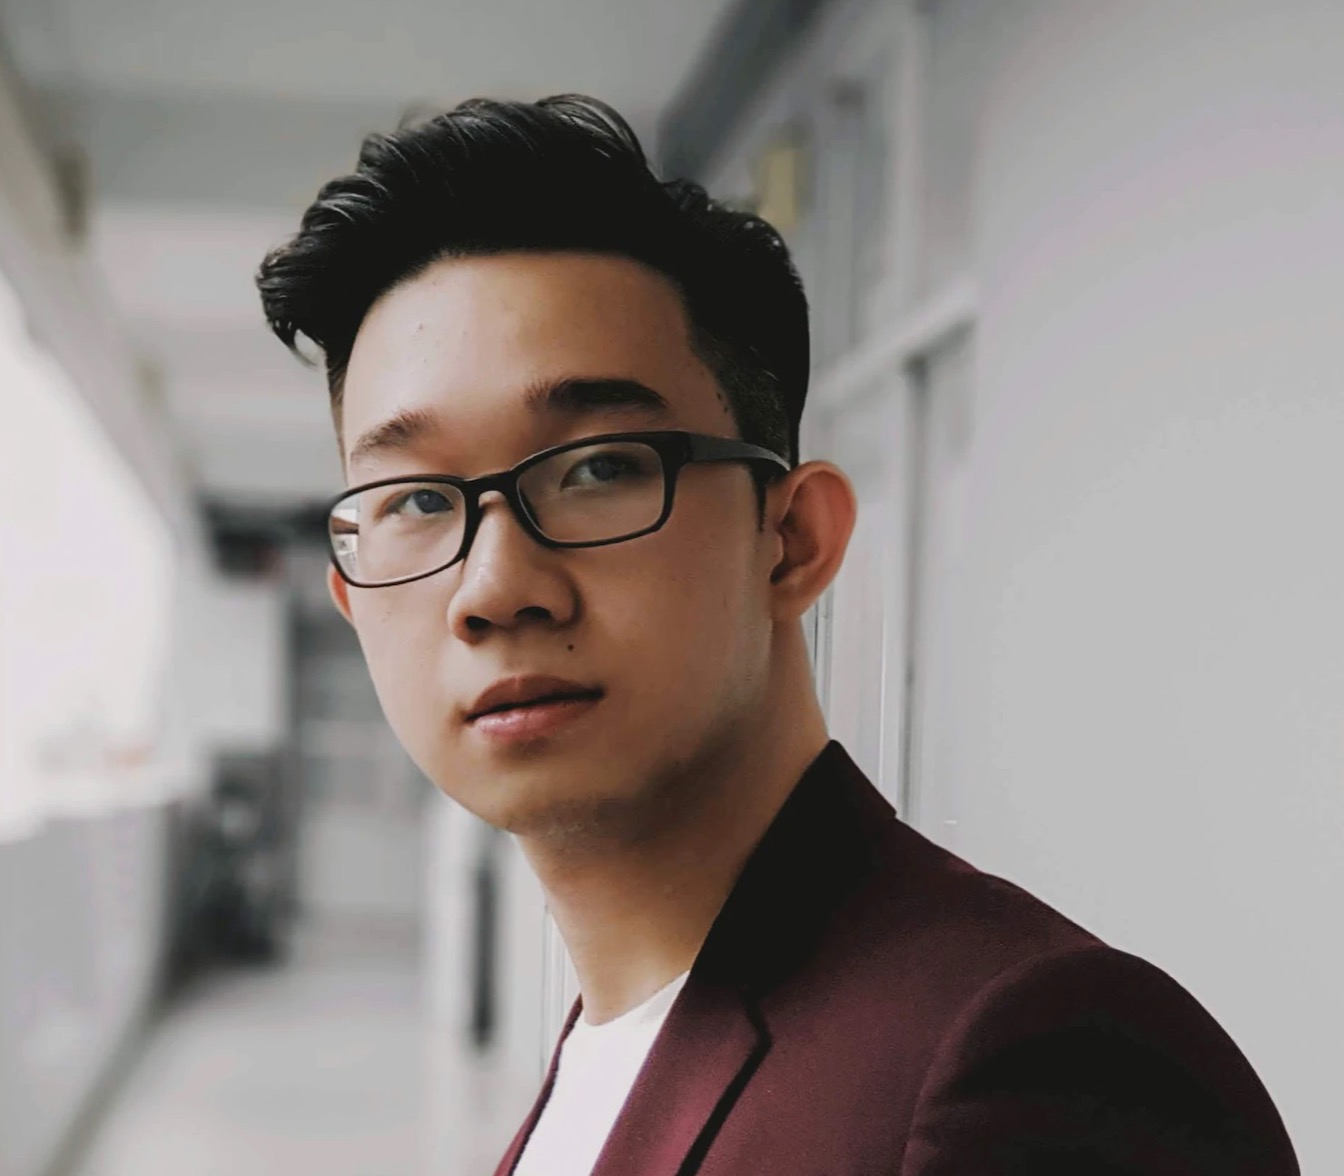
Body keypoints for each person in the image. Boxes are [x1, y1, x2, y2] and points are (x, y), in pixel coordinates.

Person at [255, 95, 1299, 1175]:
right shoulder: (598, 1060)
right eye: (418, 500)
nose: (493, 587)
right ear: (351, 599)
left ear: (793, 541)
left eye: (599, 469)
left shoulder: (1029, 1060)